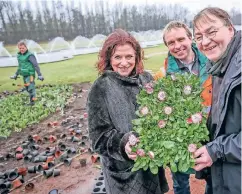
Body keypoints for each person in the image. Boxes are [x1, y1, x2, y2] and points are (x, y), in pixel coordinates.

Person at [87, 29, 169, 194]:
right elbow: (98, 139)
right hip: (124, 176)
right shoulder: (101, 87)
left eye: (129, 57)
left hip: (151, 167)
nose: (124, 63)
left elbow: (159, 115)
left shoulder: (146, 78)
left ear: (137, 57)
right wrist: (123, 144)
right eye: (118, 57)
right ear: (109, 58)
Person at [191, 7, 241, 194]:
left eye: (211, 32)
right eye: (198, 37)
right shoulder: (222, 66)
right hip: (226, 175)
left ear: (230, 29)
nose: (205, 41)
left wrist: (216, 150)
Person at [160, 21, 213, 194]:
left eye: (181, 39)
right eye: (171, 43)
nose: (177, 46)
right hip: (179, 137)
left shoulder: (212, 62)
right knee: (180, 181)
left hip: (211, 132)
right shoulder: (164, 73)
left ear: (190, 38)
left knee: (213, 178)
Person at [10, 40, 44, 105]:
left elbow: (35, 65)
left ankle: (32, 103)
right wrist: (15, 75)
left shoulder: (30, 55)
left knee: (31, 88)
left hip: (30, 75)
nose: (21, 49)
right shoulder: (19, 55)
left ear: (26, 47)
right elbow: (20, 66)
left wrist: (39, 75)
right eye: (20, 48)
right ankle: (33, 100)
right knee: (27, 89)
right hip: (24, 75)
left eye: (23, 48)